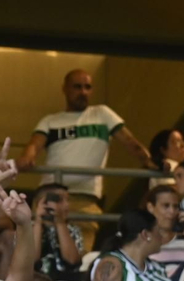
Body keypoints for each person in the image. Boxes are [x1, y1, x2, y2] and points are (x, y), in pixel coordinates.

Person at [17, 69, 152, 249]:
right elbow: (34, 144)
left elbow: (130, 142)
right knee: (41, 253)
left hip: (85, 199)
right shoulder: (50, 120)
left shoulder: (102, 114)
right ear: (64, 89)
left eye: (87, 87)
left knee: (78, 254)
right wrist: (27, 157)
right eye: (77, 87)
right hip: (50, 195)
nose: (83, 92)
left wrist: (151, 162)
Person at [143, 184, 184, 281]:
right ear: (150, 207)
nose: (172, 211)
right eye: (166, 206)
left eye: (176, 206)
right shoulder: (141, 240)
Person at [27, 184, 84, 281]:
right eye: (60, 200)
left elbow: (72, 261)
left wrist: (60, 223)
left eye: (68, 200)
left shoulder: (72, 229)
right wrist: (38, 222)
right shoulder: (26, 228)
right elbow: (30, 260)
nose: (67, 205)